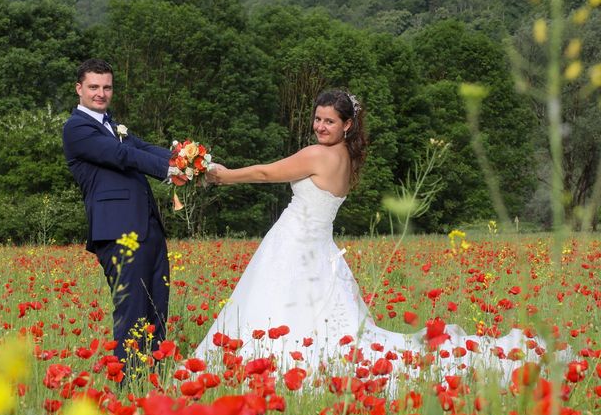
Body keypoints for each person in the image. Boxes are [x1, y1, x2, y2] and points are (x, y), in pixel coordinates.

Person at [194, 89, 550, 388]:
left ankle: (267, 366)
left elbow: (265, 172)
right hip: (317, 247)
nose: (320, 126)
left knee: (277, 306)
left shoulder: (318, 155)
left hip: (297, 244)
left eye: (329, 121)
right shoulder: (346, 158)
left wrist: (222, 176)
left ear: (347, 125)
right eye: (317, 119)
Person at [63, 58, 171, 372]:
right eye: (94, 87)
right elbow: (122, 156)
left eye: (106, 87)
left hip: (148, 226)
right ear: (79, 89)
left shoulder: (112, 125)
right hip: (117, 231)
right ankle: (128, 384)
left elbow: (145, 147)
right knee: (132, 310)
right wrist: (169, 169)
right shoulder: (77, 128)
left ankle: (155, 379)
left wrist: (191, 160)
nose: (101, 93)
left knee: (156, 309)